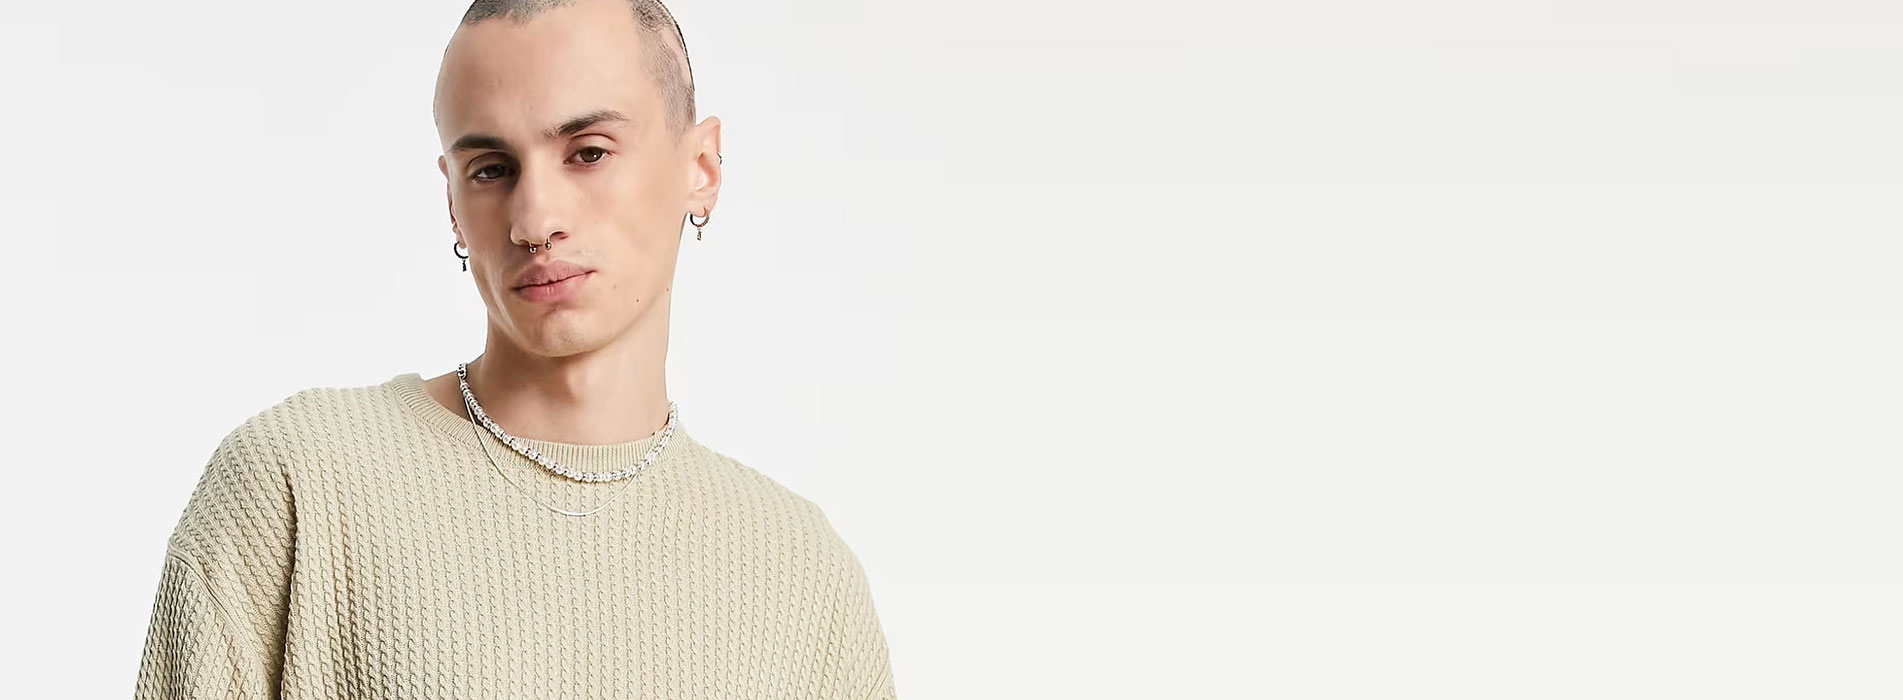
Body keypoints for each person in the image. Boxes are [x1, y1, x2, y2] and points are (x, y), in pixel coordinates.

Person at [131, 0, 897, 697]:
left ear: (700, 168)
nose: (534, 220)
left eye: (588, 152)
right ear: (452, 202)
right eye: (491, 170)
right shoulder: (297, 481)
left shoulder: (803, 575)